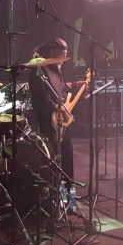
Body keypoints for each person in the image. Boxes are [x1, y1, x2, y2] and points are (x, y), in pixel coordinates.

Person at [28, 37, 82, 183]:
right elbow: (40, 98)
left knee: (67, 154)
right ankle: (55, 188)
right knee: (54, 156)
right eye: (62, 55)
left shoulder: (55, 68)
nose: (64, 59)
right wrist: (57, 107)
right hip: (49, 121)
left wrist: (76, 84)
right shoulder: (40, 69)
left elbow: (61, 87)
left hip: (62, 119)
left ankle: (67, 188)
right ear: (52, 52)